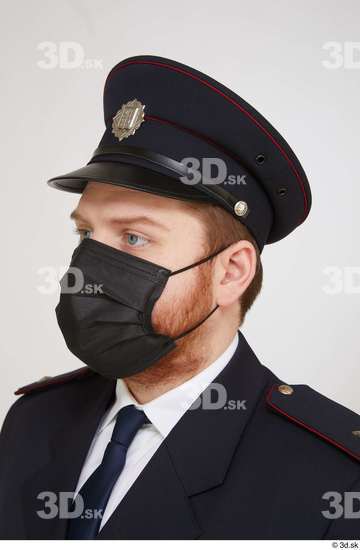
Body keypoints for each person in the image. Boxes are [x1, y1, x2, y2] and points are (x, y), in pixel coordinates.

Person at [0, 55, 359, 540]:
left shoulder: (331, 477)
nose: (88, 271)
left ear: (231, 272)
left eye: (134, 238)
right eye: (86, 234)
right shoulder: (33, 422)